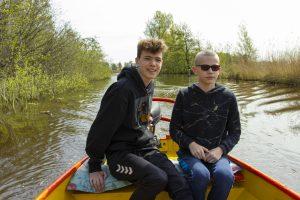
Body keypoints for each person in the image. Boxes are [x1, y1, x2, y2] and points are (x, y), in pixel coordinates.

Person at [85, 39, 193, 200]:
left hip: (145, 147)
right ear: (137, 61)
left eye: (158, 60)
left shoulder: (149, 84)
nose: (153, 64)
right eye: (147, 58)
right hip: (120, 153)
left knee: (179, 183)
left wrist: (144, 116)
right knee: (157, 178)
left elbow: (140, 108)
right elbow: (101, 128)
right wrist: (94, 165)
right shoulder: (121, 90)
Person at [169, 50, 241, 200]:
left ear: (219, 70)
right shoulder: (184, 95)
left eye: (215, 67)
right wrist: (190, 144)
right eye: (205, 67)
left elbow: (235, 132)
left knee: (226, 176)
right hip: (188, 154)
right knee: (201, 175)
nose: (210, 71)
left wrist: (221, 150)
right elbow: (174, 129)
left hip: (217, 155)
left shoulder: (228, 97)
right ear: (195, 70)